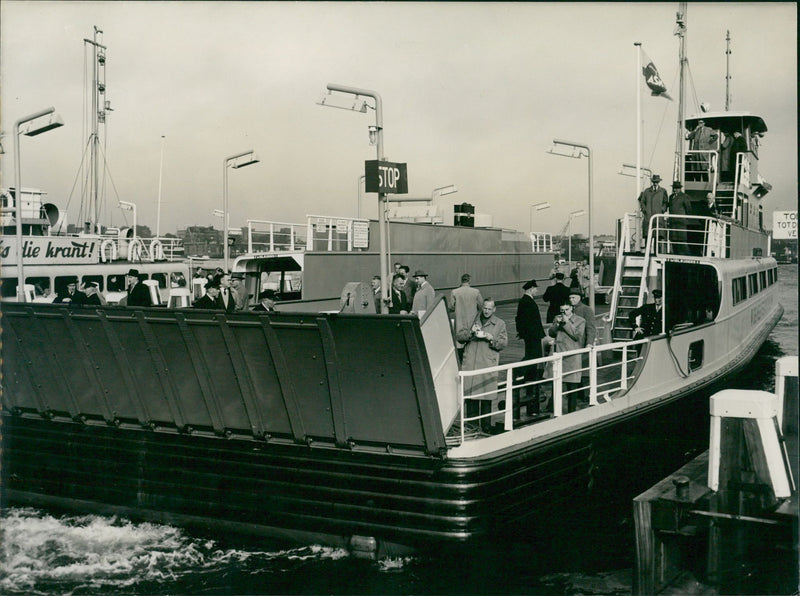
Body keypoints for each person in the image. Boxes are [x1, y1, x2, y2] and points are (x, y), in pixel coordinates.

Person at [457, 298, 508, 432]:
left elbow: (503, 344)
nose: (486, 311)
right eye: (485, 308)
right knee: (472, 398)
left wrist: (492, 339)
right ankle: (471, 427)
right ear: (482, 308)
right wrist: (471, 333)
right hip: (471, 365)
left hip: (487, 364)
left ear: (494, 309)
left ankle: (485, 426)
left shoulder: (500, 324)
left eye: (489, 309)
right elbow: (459, 337)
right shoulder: (471, 321)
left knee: (486, 397)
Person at [547, 302, 586, 413]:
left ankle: (571, 411)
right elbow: (551, 333)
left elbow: (577, 336)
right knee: (556, 384)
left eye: (567, 309)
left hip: (571, 357)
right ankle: (554, 409)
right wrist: (556, 325)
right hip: (558, 355)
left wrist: (566, 323)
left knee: (572, 387)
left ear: (572, 308)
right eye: (562, 310)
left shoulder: (580, 321)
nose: (564, 312)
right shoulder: (557, 318)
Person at [515, 279, 545, 415]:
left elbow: (519, 319)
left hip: (531, 335)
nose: (537, 290)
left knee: (533, 357)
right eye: (535, 288)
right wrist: (529, 333)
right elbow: (526, 320)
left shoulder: (525, 301)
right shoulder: (527, 302)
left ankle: (527, 374)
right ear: (531, 289)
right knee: (534, 357)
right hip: (532, 336)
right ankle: (521, 372)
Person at [449, 273, 484, 361]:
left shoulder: (454, 292)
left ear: (461, 281)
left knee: (459, 344)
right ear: (469, 281)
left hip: (460, 322)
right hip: (472, 321)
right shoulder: (476, 292)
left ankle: (460, 362)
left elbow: (451, 307)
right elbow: (481, 305)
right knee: (472, 342)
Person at [637, 174, 668, 248]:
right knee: (648, 237)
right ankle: (647, 254)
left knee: (658, 237)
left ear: (659, 182)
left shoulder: (663, 191)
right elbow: (642, 202)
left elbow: (665, 202)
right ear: (652, 182)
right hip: (648, 217)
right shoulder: (647, 191)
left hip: (658, 217)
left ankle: (657, 254)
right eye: (654, 182)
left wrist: (662, 210)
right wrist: (645, 210)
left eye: (657, 182)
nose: (655, 183)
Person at [668, 181, 693, 255]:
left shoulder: (684, 196)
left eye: (677, 188)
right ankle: (675, 254)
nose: (675, 190)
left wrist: (686, 219)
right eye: (674, 188)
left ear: (680, 189)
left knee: (681, 240)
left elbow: (689, 209)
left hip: (681, 222)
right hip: (673, 221)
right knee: (673, 239)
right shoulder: (671, 197)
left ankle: (687, 255)